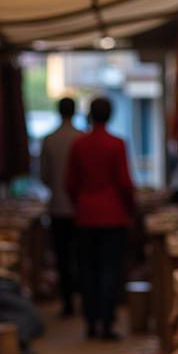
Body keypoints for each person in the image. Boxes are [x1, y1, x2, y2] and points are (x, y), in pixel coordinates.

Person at [66, 96, 135, 340]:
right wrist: (130, 210)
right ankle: (106, 323)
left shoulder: (79, 145)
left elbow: (70, 183)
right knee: (109, 270)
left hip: (85, 214)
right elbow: (125, 183)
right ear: (110, 115)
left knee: (87, 270)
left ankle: (90, 322)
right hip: (113, 215)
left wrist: (81, 203)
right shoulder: (116, 144)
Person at [39, 97, 82, 316]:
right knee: (82, 256)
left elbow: (44, 176)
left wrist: (57, 188)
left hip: (57, 206)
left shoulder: (49, 140)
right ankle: (83, 300)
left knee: (62, 257)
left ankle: (67, 303)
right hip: (80, 208)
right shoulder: (81, 139)